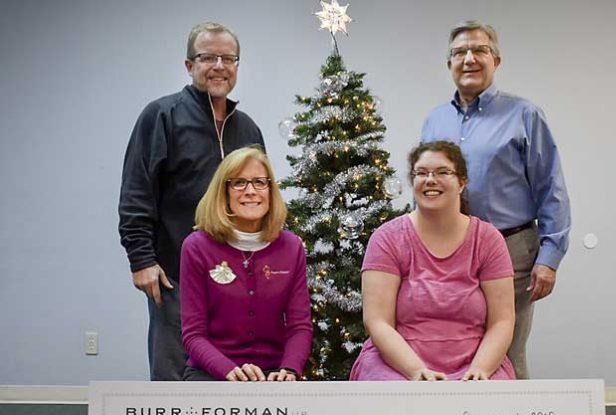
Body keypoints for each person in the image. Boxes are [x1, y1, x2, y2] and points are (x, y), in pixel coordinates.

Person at [421, 21, 571, 379]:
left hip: (511, 249)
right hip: (450, 252)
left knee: (504, 351)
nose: (469, 59)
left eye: (479, 50)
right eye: (459, 52)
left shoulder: (524, 115)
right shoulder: (434, 121)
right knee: (454, 348)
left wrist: (549, 258)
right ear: (449, 64)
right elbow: (424, 185)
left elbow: (551, 186)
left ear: (496, 60)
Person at [118, 22, 265, 380]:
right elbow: (137, 193)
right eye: (208, 57)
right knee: (175, 380)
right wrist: (142, 260)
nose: (219, 65)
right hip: (175, 277)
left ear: (237, 66)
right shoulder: (161, 116)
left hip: (237, 277)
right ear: (189, 65)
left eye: (228, 58)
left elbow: (262, 195)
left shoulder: (247, 129)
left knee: (232, 376)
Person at [350, 141, 515, 382]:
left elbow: (502, 321)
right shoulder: (387, 238)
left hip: (476, 363)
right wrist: (415, 371)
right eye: (421, 173)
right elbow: (377, 321)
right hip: (398, 366)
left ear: (462, 182)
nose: (430, 180)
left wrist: (481, 370)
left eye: (442, 172)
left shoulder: (489, 239)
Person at [180, 147, 312, 382]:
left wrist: (290, 369)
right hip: (212, 372)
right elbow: (193, 334)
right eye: (239, 183)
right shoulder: (197, 247)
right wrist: (227, 370)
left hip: (274, 373)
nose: (251, 191)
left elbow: (299, 326)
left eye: (260, 182)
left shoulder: (291, 247)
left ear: (270, 190)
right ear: (224, 192)